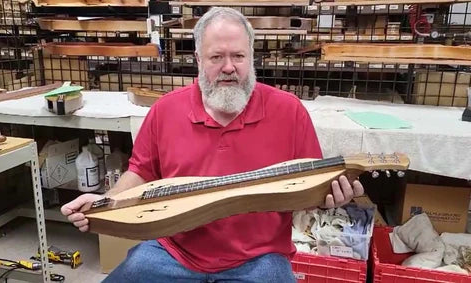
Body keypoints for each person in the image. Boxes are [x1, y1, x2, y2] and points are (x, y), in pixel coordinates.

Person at [61, 7, 364, 283]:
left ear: (251, 57)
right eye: (216, 57)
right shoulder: (165, 111)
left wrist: (329, 197)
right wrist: (105, 201)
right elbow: (140, 172)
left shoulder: (289, 112)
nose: (229, 67)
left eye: (238, 56)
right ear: (198, 60)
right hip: (173, 251)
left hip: (259, 258)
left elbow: (306, 191)